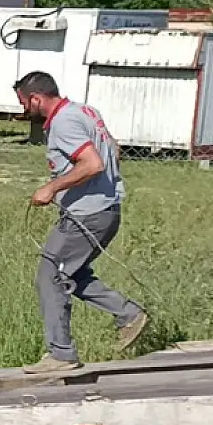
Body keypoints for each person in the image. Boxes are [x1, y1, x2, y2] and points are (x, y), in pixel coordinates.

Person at [15, 72, 150, 374]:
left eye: (24, 103)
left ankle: (61, 354)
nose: (24, 110)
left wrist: (52, 188)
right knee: (70, 274)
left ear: (36, 99)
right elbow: (113, 150)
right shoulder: (86, 112)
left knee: (49, 276)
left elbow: (93, 163)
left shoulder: (63, 122)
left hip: (88, 215)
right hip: (106, 210)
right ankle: (128, 314)